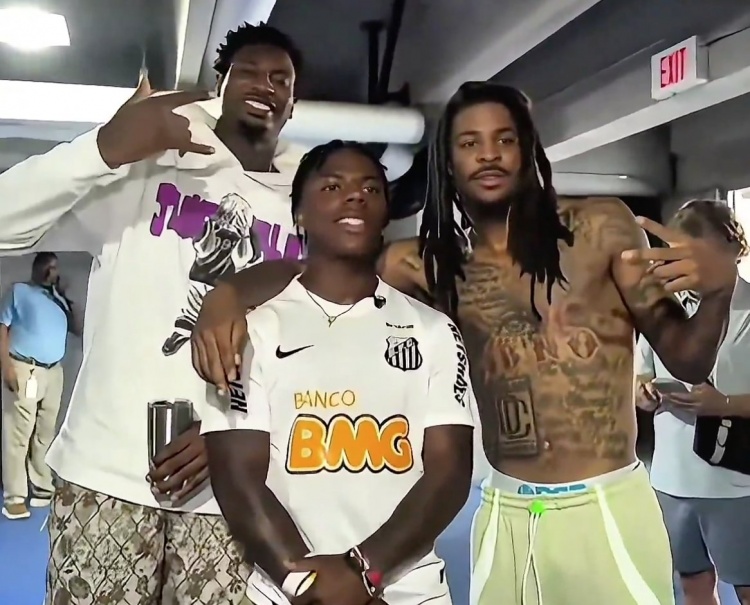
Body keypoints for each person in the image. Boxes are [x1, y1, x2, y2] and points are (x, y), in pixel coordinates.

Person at [192, 82, 739, 605]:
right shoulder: (431, 266)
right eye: (470, 143)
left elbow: (687, 358)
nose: (489, 154)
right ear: (448, 164)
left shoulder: (601, 227)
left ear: (527, 152)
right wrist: (227, 295)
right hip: (504, 508)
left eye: (505, 139)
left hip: (604, 504)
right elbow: (322, 269)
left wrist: (718, 291)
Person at [0, 22, 305, 604]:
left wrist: (236, 435)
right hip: (104, 478)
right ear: (220, 85)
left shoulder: (311, 198)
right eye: (247, 71)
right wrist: (103, 148)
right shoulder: (149, 166)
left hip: (235, 488)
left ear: (294, 103)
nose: (264, 85)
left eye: (280, 78)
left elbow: (315, 346)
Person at [202, 140, 475, 605]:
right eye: (332, 187)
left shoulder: (433, 330)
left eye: (371, 189)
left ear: (385, 213)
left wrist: (364, 572)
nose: (355, 196)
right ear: (300, 214)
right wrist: (306, 586)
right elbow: (237, 476)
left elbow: (448, 474)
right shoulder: (252, 331)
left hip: (406, 591)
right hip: (287, 591)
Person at [636, 200, 750, 605]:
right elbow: (639, 376)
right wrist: (644, 394)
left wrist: (726, 404)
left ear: (730, 247)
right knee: (693, 584)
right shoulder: (665, 310)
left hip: (736, 484)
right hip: (671, 479)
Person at [1, 252, 81, 520]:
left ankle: (42, 486)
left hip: (53, 371)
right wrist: (6, 366)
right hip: (26, 368)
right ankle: (14, 497)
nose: (52, 271)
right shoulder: (19, 292)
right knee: (19, 432)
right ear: (37, 268)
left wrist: (65, 296)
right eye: (48, 266)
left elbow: (77, 328)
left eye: (55, 267)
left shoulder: (58, 300)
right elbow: (1, 327)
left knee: (46, 431)